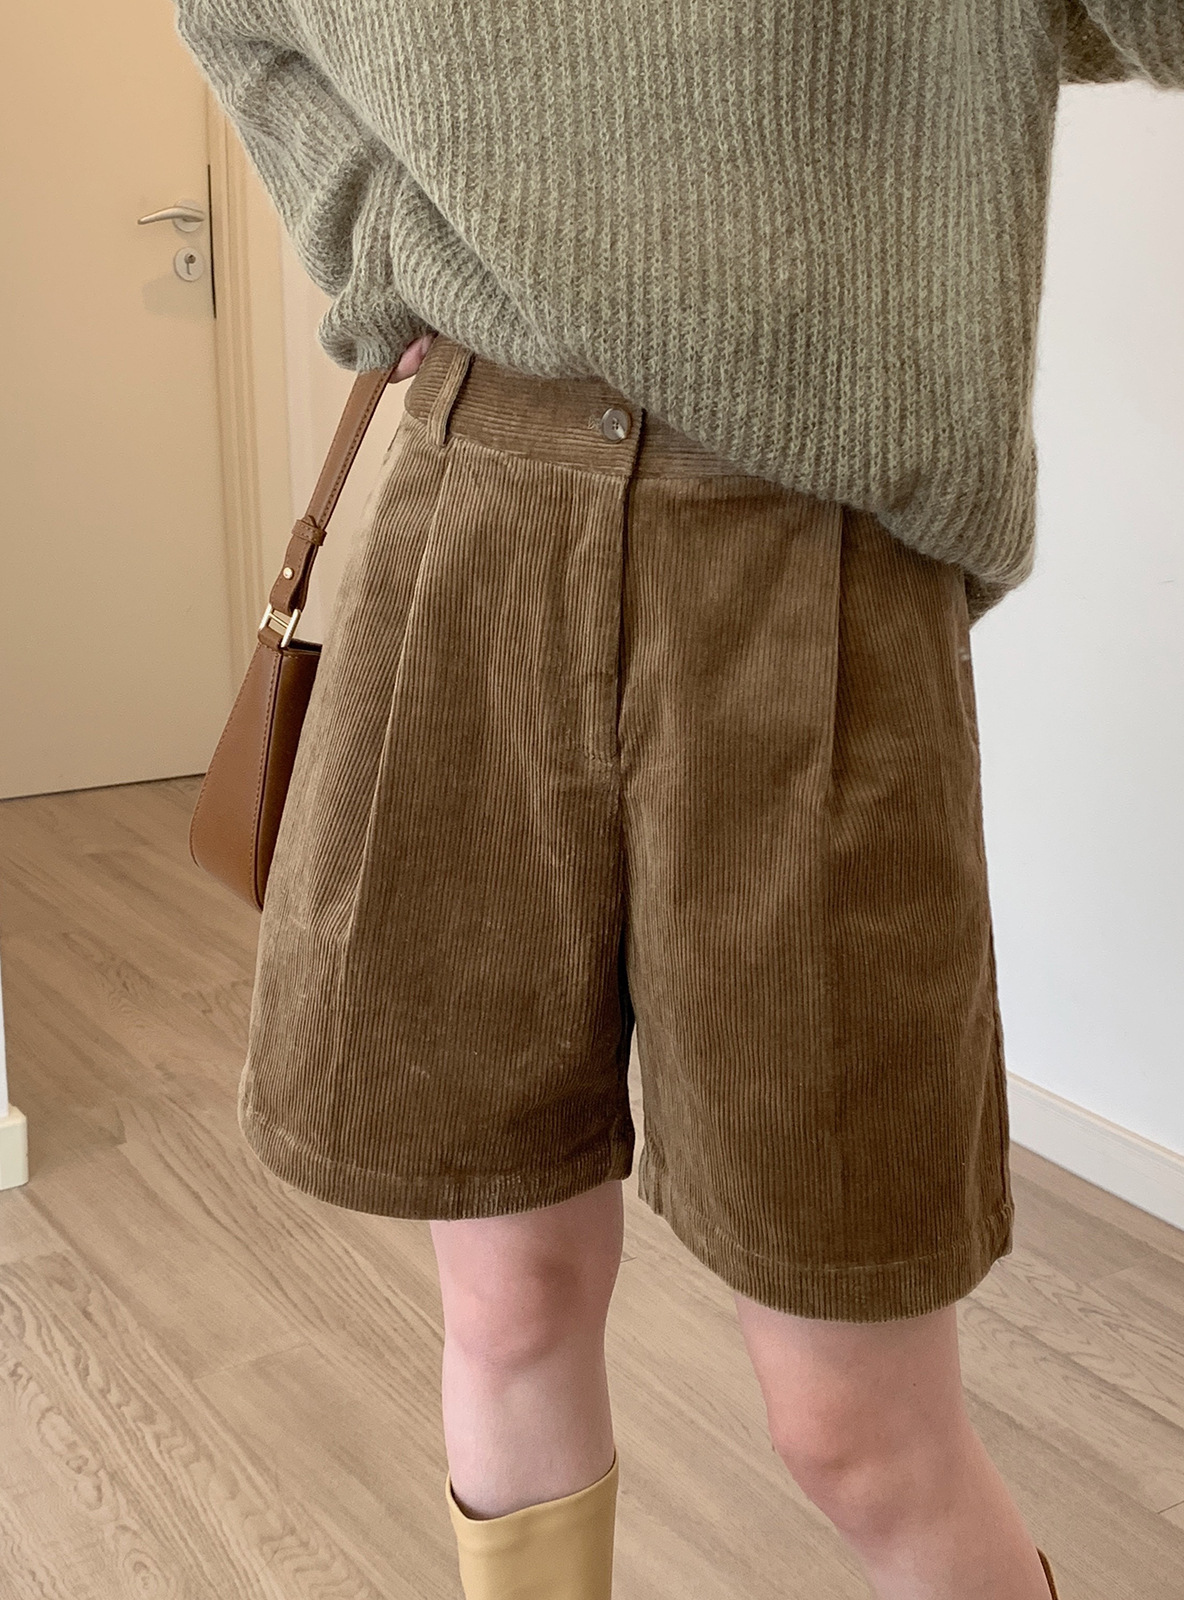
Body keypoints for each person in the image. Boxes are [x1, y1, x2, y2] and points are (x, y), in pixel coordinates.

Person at [173, 4, 1183, 1596]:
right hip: (480, 511)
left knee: (854, 1427)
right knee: (509, 1301)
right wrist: (368, 221)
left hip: (813, 550)